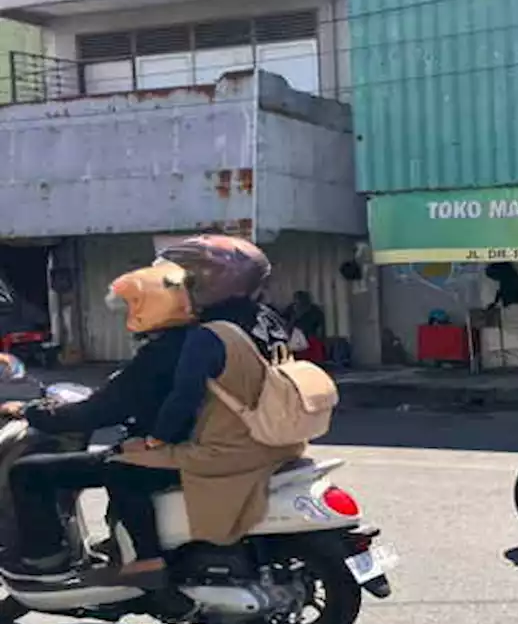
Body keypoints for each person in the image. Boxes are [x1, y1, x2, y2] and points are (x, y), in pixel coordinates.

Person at [0, 260, 198, 585]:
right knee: (115, 455)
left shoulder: (159, 355)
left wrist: (31, 413)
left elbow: (98, 412)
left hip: (166, 452)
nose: (126, 315)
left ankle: (47, 560)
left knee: (27, 471)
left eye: (131, 305)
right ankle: (124, 546)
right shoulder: (195, 341)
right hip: (190, 444)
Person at [116, 235, 304, 568]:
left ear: (205, 282)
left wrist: (156, 440)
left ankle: (147, 562)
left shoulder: (209, 333)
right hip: (276, 439)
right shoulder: (268, 320)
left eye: (184, 278)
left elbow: (184, 397)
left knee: (121, 469)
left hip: (230, 445)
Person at [284, 290, 326, 363]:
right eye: (295, 299)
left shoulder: (314, 310)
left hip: (311, 340)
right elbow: (284, 325)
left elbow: (321, 328)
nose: (297, 302)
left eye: (299, 299)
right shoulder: (290, 309)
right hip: (294, 341)